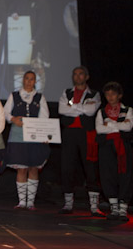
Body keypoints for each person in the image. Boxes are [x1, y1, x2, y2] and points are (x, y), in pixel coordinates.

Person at [57, 66, 102, 216]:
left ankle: (94, 206)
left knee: (90, 167)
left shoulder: (94, 94)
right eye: (75, 74)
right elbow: (62, 110)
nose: (77, 76)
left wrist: (73, 107)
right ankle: (68, 204)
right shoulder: (67, 92)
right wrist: (81, 107)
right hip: (69, 133)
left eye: (80, 74)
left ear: (87, 77)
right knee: (67, 167)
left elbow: (91, 111)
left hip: (86, 133)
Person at [4, 70, 51, 210]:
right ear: (23, 80)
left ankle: (30, 202)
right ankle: (22, 202)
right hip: (18, 135)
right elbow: (5, 112)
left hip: (34, 135)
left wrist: (44, 134)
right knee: (21, 168)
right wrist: (13, 119)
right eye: (27, 78)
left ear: (35, 81)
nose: (29, 81)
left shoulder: (40, 97)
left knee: (33, 168)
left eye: (32, 79)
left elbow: (44, 117)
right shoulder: (14, 95)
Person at [95, 82, 132, 221]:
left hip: (123, 146)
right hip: (106, 146)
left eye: (113, 94)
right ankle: (114, 208)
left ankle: (123, 209)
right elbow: (99, 129)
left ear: (119, 95)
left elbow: (128, 127)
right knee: (107, 175)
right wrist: (119, 126)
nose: (110, 97)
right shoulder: (101, 112)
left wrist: (110, 124)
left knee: (125, 175)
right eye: (107, 94)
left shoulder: (127, 110)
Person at [8, 0, 51, 92]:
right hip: (20, 42)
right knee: (19, 67)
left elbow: (44, 23)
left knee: (37, 68)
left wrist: (36, 38)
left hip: (36, 42)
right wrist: (13, 14)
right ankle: (18, 93)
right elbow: (10, 13)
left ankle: (39, 93)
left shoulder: (41, 2)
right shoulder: (18, 0)